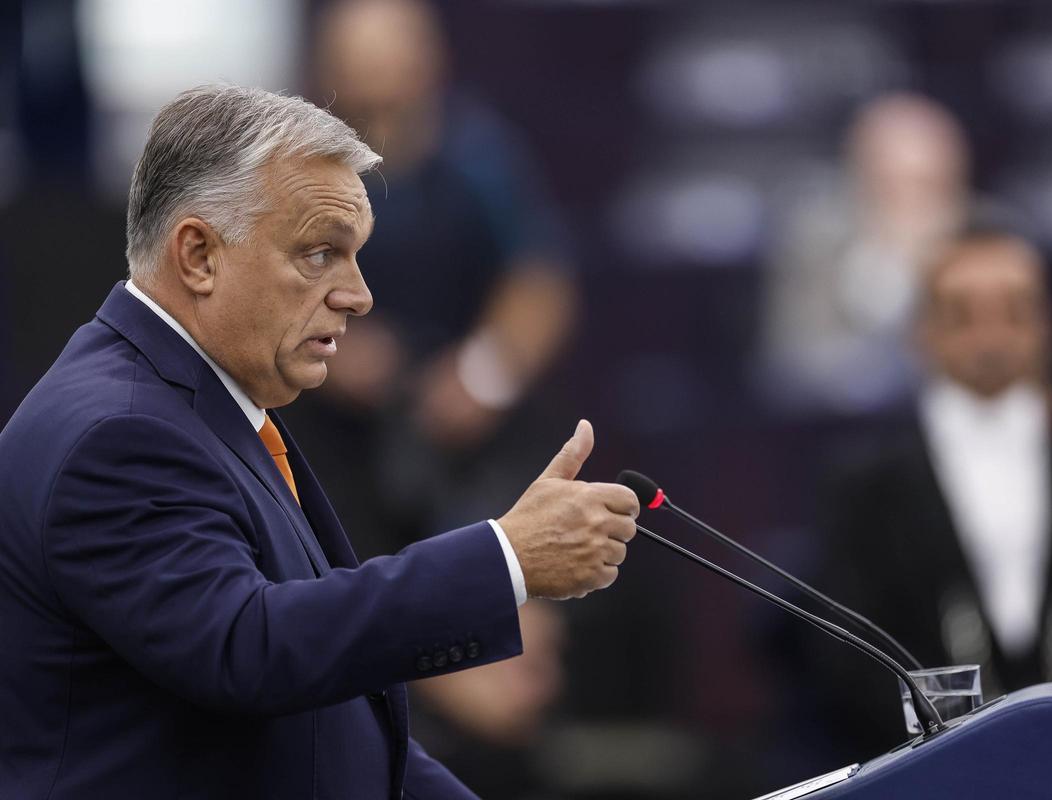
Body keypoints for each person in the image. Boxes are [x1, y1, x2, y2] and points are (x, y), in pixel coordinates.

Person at [0, 85, 639, 799]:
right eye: (319, 255)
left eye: (355, 256)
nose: (358, 295)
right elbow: (254, 651)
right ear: (199, 255)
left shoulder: (203, 409)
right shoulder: (118, 432)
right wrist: (506, 561)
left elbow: (329, 723)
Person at [801, 225, 1052, 758]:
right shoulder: (864, 488)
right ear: (922, 331)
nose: (991, 337)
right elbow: (845, 660)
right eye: (963, 314)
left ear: (1047, 324)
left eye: (1014, 312)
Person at [292, 0, 579, 557]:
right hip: (338, 436)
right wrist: (323, 344)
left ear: (428, 69)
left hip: (469, 437)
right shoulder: (294, 169)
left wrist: (483, 374)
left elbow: (540, 282)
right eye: (362, 104)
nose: (382, 128)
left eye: (394, 98)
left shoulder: (480, 158)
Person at [758, 93, 973, 414]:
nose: (909, 202)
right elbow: (796, 355)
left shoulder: (993, 239)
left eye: (924, 184)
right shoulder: (815, 238)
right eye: (890, 184)